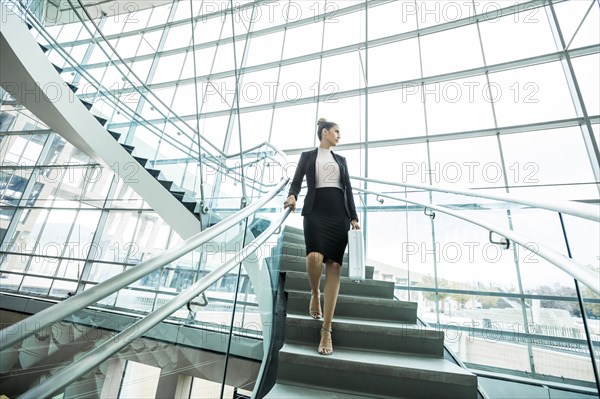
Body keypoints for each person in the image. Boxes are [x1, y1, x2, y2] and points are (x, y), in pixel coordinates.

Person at [283, 118, 360, 355]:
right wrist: (292, 196)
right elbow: (296, 181)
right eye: (337, 132)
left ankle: (326, 330)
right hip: (315, 211)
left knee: (334, 266)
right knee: (315, 257)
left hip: (339, 214)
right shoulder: (307, 156)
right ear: (324, 133)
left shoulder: (341, 160)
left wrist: (354, 218)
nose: (339, 136)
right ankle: (315, 293)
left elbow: (347, 189)